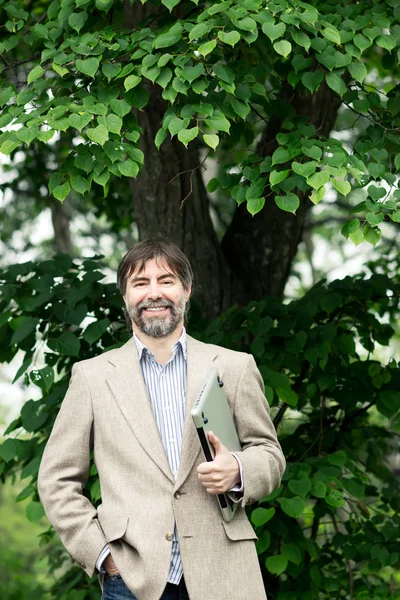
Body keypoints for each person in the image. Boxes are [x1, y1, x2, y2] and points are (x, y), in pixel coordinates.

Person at [38, 237, 286, 600]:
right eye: (141, 283)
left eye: (166, 280)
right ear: (125, 295)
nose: (154, 293)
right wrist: (102, 554)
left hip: (226, 573)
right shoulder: (91, 377)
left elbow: (269, 453)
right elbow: (56, 480)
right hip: (133, 581)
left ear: (186, 289)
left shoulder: (235, 366)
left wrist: (238, 469)